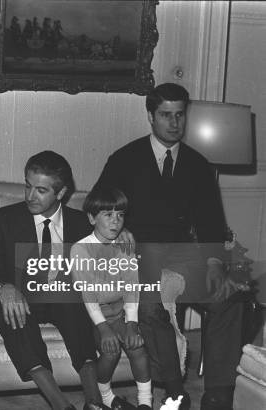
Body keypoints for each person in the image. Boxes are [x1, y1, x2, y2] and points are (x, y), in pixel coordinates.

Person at [96, 82, 247, 410]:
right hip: (139, 255)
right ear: (151, 116)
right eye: (166, 115)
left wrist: (212, 262)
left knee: (229, 297)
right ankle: (176, 390)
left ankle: (219, 391)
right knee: (150, 308)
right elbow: (94, 207)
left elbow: (211, 223)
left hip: (185, 255)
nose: (174, 123)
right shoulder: (125, 159)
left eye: (180, 115)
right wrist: (118, 229)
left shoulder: (198, 165)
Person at [0, 150, 120, 410]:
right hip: (17, 297)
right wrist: (5, 288)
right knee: (15, 313)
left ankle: (93, 402)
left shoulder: (82, 224)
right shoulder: (1, 220)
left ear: (61, 192)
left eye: (41, 190)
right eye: (27, 186)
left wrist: (123, 236)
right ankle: (61, 405)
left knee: (74, 301)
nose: (30, 196)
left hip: (61, 297)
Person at [70, 185, 151, 410]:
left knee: (137, 348)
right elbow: (88, 295)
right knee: (110, 349)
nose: (116, 221)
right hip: (90, 313)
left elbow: (132, 288)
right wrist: (104, 328)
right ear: (91, 218)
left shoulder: (124, 246)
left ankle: (145, 402)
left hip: (119, 311)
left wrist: (132, 324)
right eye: (108, 215)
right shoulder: (81, 249)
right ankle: (106, 397)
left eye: (120, 215)